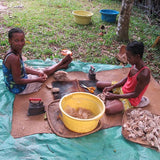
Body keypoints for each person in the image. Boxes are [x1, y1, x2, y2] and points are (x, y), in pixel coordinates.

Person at [2, 28, 72, 95]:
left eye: (22, 40)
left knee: (42, 72)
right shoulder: (13, 58)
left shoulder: (15, 50)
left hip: (16, 81)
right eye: (16, 40)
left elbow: (21, 68)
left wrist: (37, 72)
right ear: (10, 41)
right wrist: (37, 80)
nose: (20, 43)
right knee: (45, 73)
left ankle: (61, 64)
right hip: (18, 88)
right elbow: (18, 80)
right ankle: (61, 63)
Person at [96, 41, 150, 115]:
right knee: (98, 84)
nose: (127, 59)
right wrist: (112, 87)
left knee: (108, 110)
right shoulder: (134, 65)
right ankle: (114, 99)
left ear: (137, 56)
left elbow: (135, 94)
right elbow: (126, 79)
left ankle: (115, 100)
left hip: (131, 99)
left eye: (129, 57)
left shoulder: (144, 74)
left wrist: (115, 96)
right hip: (123, 89)